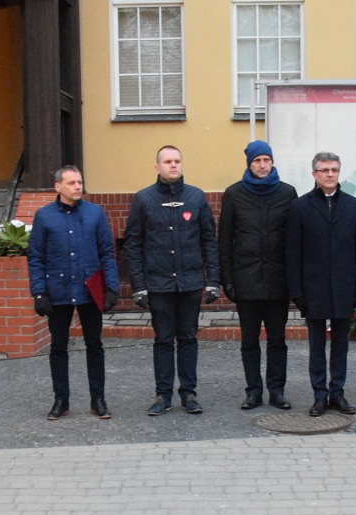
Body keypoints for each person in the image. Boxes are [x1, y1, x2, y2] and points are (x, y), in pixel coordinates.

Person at [125, 145, 221, 416]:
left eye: (177, 161)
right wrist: (139, 285)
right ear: (157, 166)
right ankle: (163, 395)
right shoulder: (143, 199)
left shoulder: (195, 197)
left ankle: (189, 393)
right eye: (167, 161)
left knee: (188, 338)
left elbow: (208, 241)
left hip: (190, 282)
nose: (173, 165)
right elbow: (133, 244)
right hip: (158, 283)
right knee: (163, 340)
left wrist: (213, 279)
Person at [27, 165, 120, 420]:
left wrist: (111, 287)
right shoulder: (44, 216)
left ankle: (98, 400)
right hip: (57, 291)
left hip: (89, 289)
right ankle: (61, 400)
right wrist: (38, 292)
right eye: (71, 183)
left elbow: (106, 253)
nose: (78, 187)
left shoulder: (95, 214)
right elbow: (36, 257)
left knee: (95, 345)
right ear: (58, 186)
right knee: (58, 346)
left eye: (79, 182)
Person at [286, 152, 356, 417]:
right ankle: (319, 395)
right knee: (316, 346)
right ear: (314, 174)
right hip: (314, 289)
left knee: (341, 345)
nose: (329, 174)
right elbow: (293, 253)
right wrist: (297, 292)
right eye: (324, 170)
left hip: (345, 288)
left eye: (334, 169)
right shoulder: (300, 207)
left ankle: (338, 393)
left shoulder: (353, 205)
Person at [218, 140, 298, 411]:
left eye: (267, 160)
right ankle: (253, 391)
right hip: (246, 280)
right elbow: (224, 241)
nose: (263, 165)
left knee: (277, 340)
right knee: (249, 341)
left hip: (278, 280)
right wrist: (227, 278)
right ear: (249, 164)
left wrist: (295, 279)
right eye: (257, 161)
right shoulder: (234, 194)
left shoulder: (288, 193)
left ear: (272, 162)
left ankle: (277, 390)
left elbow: (295, 240)